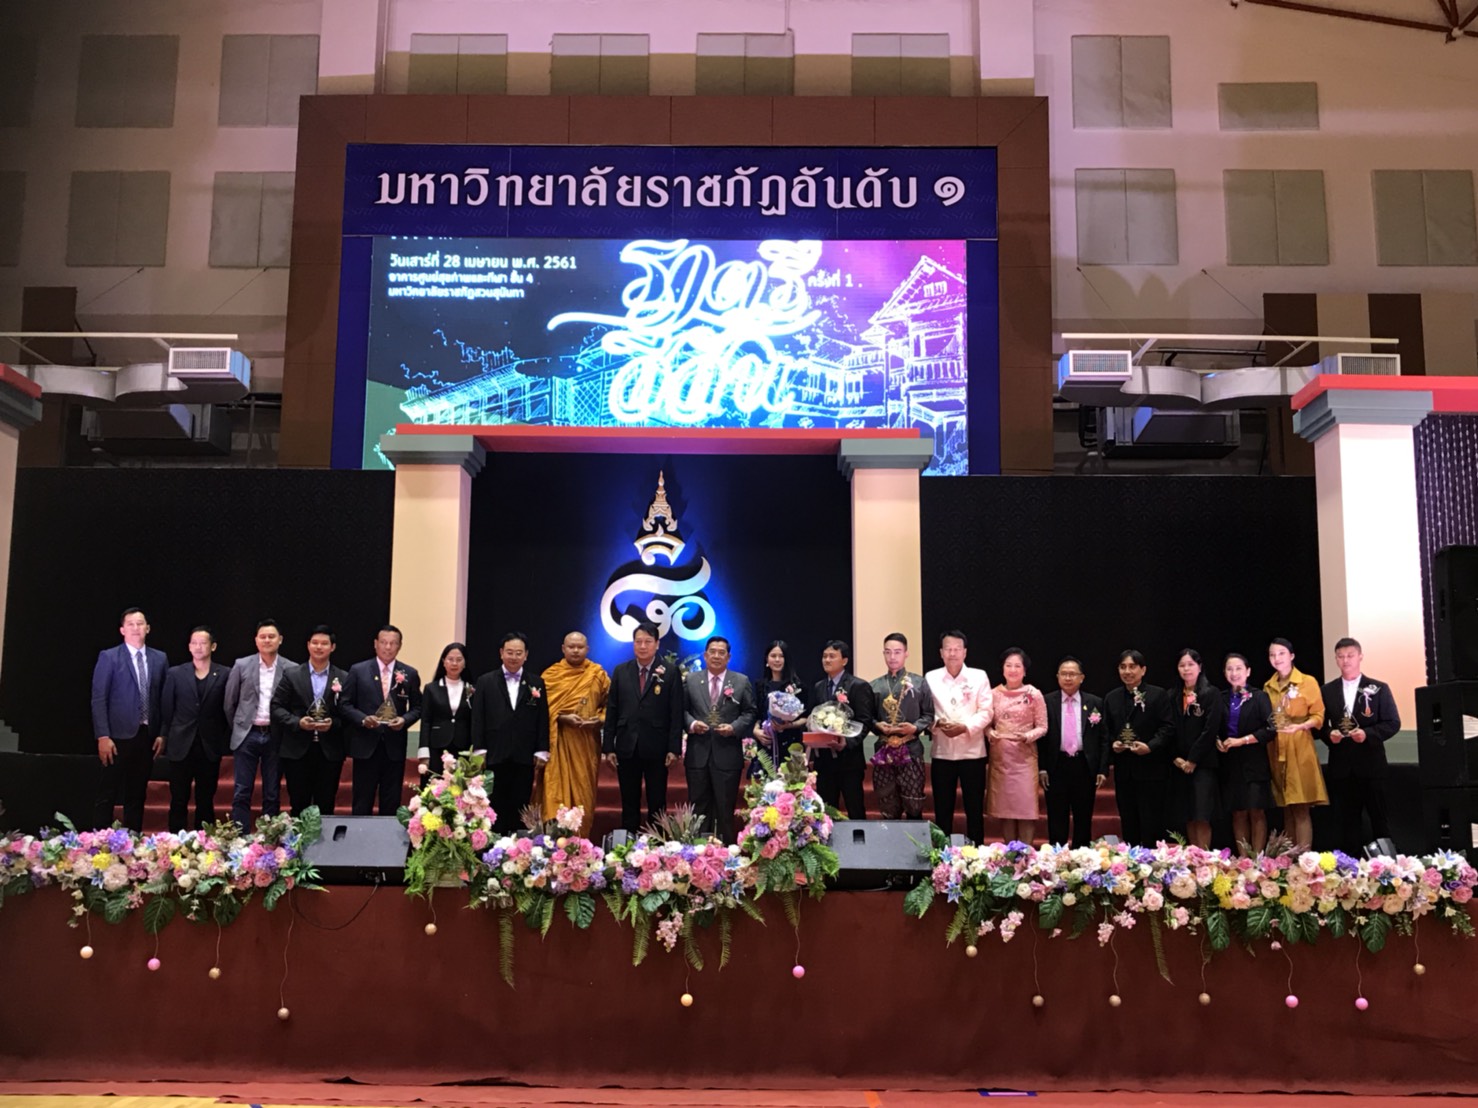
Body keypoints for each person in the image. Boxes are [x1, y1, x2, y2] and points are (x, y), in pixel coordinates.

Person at [1319, 637, 1401, 854]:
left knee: (1379, 819)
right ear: (1336, 659)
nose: (1345, 660)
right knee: (1346, 822)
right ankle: (1349, 867)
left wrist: (1368, 734)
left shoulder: (1378, 688)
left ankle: (1387, 866)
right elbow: (1319, 726)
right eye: (1341, 656)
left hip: (1371, 765)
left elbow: (1393, 723)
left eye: (1350, 655)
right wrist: (1329, 734)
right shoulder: (1327, 690)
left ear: (1360, 656)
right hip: (1341, 767)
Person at [90, 607, 168, 831]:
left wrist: (162, 733)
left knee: (137, 792)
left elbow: (164, 699)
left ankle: (133, 839)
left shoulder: (159, 658)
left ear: (148, 628)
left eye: (140, 623)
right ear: (122, 630)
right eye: (131, 624)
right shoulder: (109, 656)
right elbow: (99, 698)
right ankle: (100, 840)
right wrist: (103, 735)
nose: (136, 628)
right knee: (108, 791)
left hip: (147, 736)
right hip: (116, 736)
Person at [603, 621, 683, 833]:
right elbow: (612, 710)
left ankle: (657, 844)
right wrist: (608, 747)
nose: (643, 646)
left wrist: (674, 748)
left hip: (657, 746)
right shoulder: (621, 671)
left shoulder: (670, 671)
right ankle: (629, 844)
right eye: (638, 641)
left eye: (648, 641)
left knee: (657, 800)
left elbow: (676, 712)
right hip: (627, 745)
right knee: (629, 800)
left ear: (657, 644)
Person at [471, 632, 549, 834]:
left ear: (526, 655)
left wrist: (542, 750)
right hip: (494, 753)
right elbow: (478, 718)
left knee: (520, 804)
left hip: (524, 754)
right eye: (510, 652)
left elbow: (542, 718)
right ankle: (494, 846)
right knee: (495, 804)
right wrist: (479, 749)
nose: (514, 657)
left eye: (518, 653)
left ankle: (517, 848)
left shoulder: (536, 683)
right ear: (501, 653)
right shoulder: (485, 681)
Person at [341, 625, 423, 816]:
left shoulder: (409, 673)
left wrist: (404, 720)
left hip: (394, 747)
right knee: (362, 800)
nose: (388, 647)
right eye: (384, 642)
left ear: (399, 646)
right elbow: (344, 704)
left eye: (393, 643)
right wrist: (363, 719)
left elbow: (418, 707)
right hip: (365, 745)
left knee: (391, 801)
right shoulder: (358, 670)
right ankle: (360, 834)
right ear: (375, 644)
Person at [682, 636, 756, 842]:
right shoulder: (691, 680)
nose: (716, 656)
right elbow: (681, 710)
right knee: (698, 809)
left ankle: (725, 852)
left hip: (727, 755)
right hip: (698, 754)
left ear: (728, 657)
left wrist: (734, 728)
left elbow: (750, 712)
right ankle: (696, 851)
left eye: (721, 652)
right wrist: (692, 724)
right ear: (705, 655)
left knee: (724, 808)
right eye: (712, 652)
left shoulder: (741, 681)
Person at [224, 619, 295, 831]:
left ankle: (268, 838)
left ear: (280, 640)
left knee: (272, 792)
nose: (267, 640)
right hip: (248, 734)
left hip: (275, 735)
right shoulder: (241, 665)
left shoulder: (291, 668)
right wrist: (239, 727)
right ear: (256, 640)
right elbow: (229, 702)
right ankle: (240, 837)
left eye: (271, 636)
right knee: (242, 790)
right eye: (262, 637)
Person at [924, 630, 993, 844]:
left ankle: (977, 854)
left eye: (957, 649)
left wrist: (965, 727)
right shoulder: (931, 677)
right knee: (942, 809)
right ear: (941, 653)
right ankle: (941, 855)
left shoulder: (979, 676)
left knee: (974, 809)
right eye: (948, 649)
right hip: (942, 752)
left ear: (965, 652)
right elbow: (926, 710)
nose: (952, 653)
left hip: (973, 753)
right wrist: (938, 723)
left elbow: (986, 711)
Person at [157, 626, 229, 831]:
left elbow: (227, 709)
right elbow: (167, 708)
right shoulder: (175, 673)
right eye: (194, 643)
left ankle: (204, 842)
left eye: (203, 643)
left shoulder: (225, 673)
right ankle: (175, 841)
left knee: (205, 798)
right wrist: (165, 734)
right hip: (181, 744)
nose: (198, 647)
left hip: (209, 745)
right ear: (189, 646)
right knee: (178, 798)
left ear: (213, 646)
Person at [272, 625, 348, 816]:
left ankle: (325, 837)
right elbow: (276, 707)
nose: (319, 647)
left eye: (324, 643)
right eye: (315, 643)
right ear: (308, 645)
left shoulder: (343, 677)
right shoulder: (292, 674)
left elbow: (348, 713)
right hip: (297, 749)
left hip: (329, 750)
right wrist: (297, 722)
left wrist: (333, 724)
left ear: (332, 647)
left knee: (326, 802)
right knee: (299, 803)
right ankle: (299, 837)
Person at [1102, 649, 1174, 846]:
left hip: (1151, 768)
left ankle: (1152, 860)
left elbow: (1168, 727)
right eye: (1123, 667)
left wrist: (1150, 747)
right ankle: (1131, 859)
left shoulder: (1158, 695)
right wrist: (1113, 743)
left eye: (1132, 667)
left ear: (1143, 670)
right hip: (1124, 770)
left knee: (1152, 821)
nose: (1127, 671)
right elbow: (1106, 730)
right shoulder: (1111, 698)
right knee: (1128, 819)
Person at [541, 631, 610, 837]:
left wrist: (600, 720)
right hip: (559, 743)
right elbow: (540, 712)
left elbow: (612, 705)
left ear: (587, 649)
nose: (576, 651)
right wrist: (562, 718)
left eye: (580, 647)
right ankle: (554, 844)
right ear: (563, 649)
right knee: (556, 793)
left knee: (583, 795)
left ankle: (581, 842)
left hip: (586, 743)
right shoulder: (550, 676)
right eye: (571, 647)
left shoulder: (598, 675)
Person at [1263, 638, 1327, 851]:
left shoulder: (1307, 681)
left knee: (1301, 807)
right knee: (1286, 807)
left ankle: (1304, 858)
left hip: (1299, 746)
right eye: (1272, 655)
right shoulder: (1268, 686)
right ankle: (1288, 858)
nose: (1277, 658)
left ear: (1291, 656)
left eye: (1281, 653)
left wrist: (1301, 726)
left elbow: (1318, 715)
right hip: (1276, 747)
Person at [1040, 656, 1108, 848]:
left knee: (1083, 816)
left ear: (1082, 677)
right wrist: (1042, 768)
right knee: (1056, 816)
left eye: (1072, 674)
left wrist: (1102, 769)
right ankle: (1056, 857)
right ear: (1057, 677)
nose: (1068, 678)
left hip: (1084, 765)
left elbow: (1104, 738)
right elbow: (1041, 739)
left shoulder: (1095, 702)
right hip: (1056, 765)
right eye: (1064, 674)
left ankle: (1081, 857)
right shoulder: (1046, 701)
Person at [868, 632, 933, 820]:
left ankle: (914, 838)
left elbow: (929, 715)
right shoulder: (875, 686)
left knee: (913, 802)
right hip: (884, 749)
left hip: (910, 748)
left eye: (897, 652)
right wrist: (877, 725)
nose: (892, 657)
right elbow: (867, 718)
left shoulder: (919, 683)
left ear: (906, 653)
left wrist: (915, 728)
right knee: (887, 803)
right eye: (888, 652)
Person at [986, 648, 1048, 845]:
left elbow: (1043, 726)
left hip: (1024, 757)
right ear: (1002, 669)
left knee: (1025, 809)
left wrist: (1028, 736)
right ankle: (1010, 854)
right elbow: (985, 722)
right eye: (1008, 665)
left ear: (1025, 670)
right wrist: (989, 732)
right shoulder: (993, 694)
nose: (1013, 670)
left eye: (1017, 666)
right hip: (1001, 758)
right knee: (1005, 810)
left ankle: (1026, 854)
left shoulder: (1034, 694)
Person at [1216, 653, 1276, 855]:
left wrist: (1242, 740)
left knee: (1256, 811)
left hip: (1254, 761)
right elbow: (1213, 726)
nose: (1234, 673)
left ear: (1248, 672)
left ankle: (1257, 858)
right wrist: (1217, 740)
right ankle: (1243, 859)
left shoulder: (1259, 697)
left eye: (1238, 668)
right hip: (1230, 762)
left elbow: (1270, 730)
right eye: (1229, 669)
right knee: (1238, 812)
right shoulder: (1220, 698)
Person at [810, 639, 874, 820]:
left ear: (844, 660)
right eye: (824, 656)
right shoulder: (818, 686)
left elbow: (865, 721)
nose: (827, 660)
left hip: (849, 762)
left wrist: (847, 742)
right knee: (826, 813)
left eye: (832, 656)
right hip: (824, 762)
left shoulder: (858, 686)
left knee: (855, 810)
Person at [1167, 648, 1223, 850]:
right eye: (1182, 665)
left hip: (1202, 764)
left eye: (1190, 664)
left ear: (1199, 667)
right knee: (1187, 815)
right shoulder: (1172, 695)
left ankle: (1204, 858)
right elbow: (1168, 729)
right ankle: (1193, 856)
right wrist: (1176, 757)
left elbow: (1210, 730)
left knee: (1202, 814)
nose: (1186, 669)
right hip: (1179, 765)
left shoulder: (1211, 694)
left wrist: (1192, 759)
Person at [417, 642, 476, 782]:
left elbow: (475, 721)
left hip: (463, 747)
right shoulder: (431, 688)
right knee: (435, 787)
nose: (454, 663)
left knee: (460, 788)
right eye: (450, 659)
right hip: (437, 746)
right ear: (443, 662)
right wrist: (424, 753)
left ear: (465, 663)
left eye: (459, 659)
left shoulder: (472, 689)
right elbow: (426, 721)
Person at [751, 640, 809, 775]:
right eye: (773, 656)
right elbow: (757, 714)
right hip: (766, 742)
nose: (777, 660)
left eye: (781, 656)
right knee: (765, 782)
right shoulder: (760, 686)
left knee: (791, 782)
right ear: (767, 659)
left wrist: (787, 725)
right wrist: (755, 731)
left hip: (790, 743)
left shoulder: (798, 686)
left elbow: (805, 718)